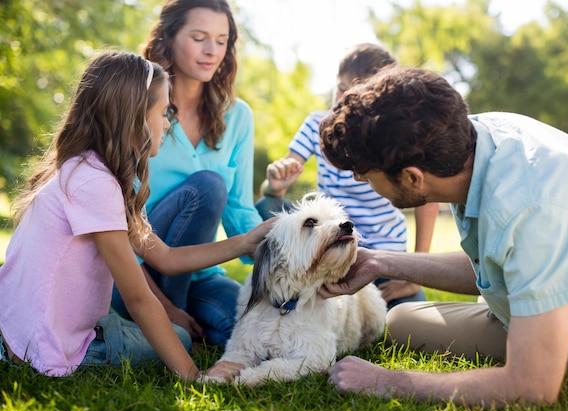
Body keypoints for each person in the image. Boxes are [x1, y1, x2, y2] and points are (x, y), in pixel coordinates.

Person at [317, 66, 568, 406]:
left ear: (412, 178)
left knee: (524, 371)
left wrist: (390, 381)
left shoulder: (533, 212)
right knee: (401, 321)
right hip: (523, 302)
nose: (361, 181)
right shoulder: (477, 138)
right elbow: (496, 263)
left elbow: (532, 387)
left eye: (366, 174)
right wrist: (379, 261)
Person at [0, 50, 268, 380]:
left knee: (170, 332)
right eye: (162, 112)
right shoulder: (95, 184)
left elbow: (167, 258)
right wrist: (194, 377)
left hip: (26, 324)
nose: (168, 123)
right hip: (41, 346)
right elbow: (139, 299)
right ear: (136, 117)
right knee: (179, 338)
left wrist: (245, 243)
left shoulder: (84, 168)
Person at [110, 0, 262, 347]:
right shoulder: (137, 109)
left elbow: (240, 211)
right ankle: (167, 327)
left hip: (200, 273)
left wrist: (283, 257)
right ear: (168, 39)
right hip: (135, 274)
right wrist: (166, 309)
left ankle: (186, 330)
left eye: (222, 41)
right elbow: (118, 227)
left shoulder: (238, 116)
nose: (212, 51)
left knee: (246, 333)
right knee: (207, 186)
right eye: (199, 37)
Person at [255, 43, 439, 309]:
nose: (342, 102)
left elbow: (427, 204)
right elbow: (273, 190)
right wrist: (274, 185)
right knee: (267, 206)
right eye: (340, 88)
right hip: (327, 243)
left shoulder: (393, 137)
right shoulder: (316, 124)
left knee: (406, 321)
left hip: (381, 254)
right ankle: (293, 280)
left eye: (354, 96)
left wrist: (415, 277)